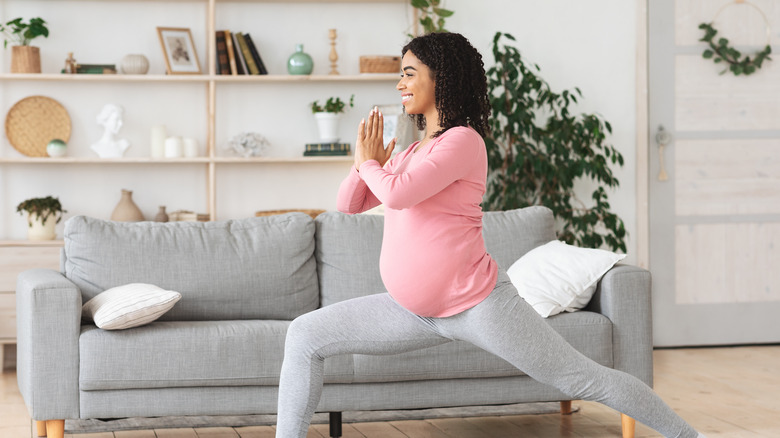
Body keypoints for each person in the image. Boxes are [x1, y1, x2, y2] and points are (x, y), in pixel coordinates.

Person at [276, 32, 706, 438]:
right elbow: (350, 205)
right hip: (413, 311)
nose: (399, 83)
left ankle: (689, 435)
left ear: (440, 78)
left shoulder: (463, 142)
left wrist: (371, 165)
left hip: (478, 305)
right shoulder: (411, 150)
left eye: (409, 72)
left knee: (581, 378)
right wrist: (361, 162)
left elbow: (398, 194)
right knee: (305, 334)